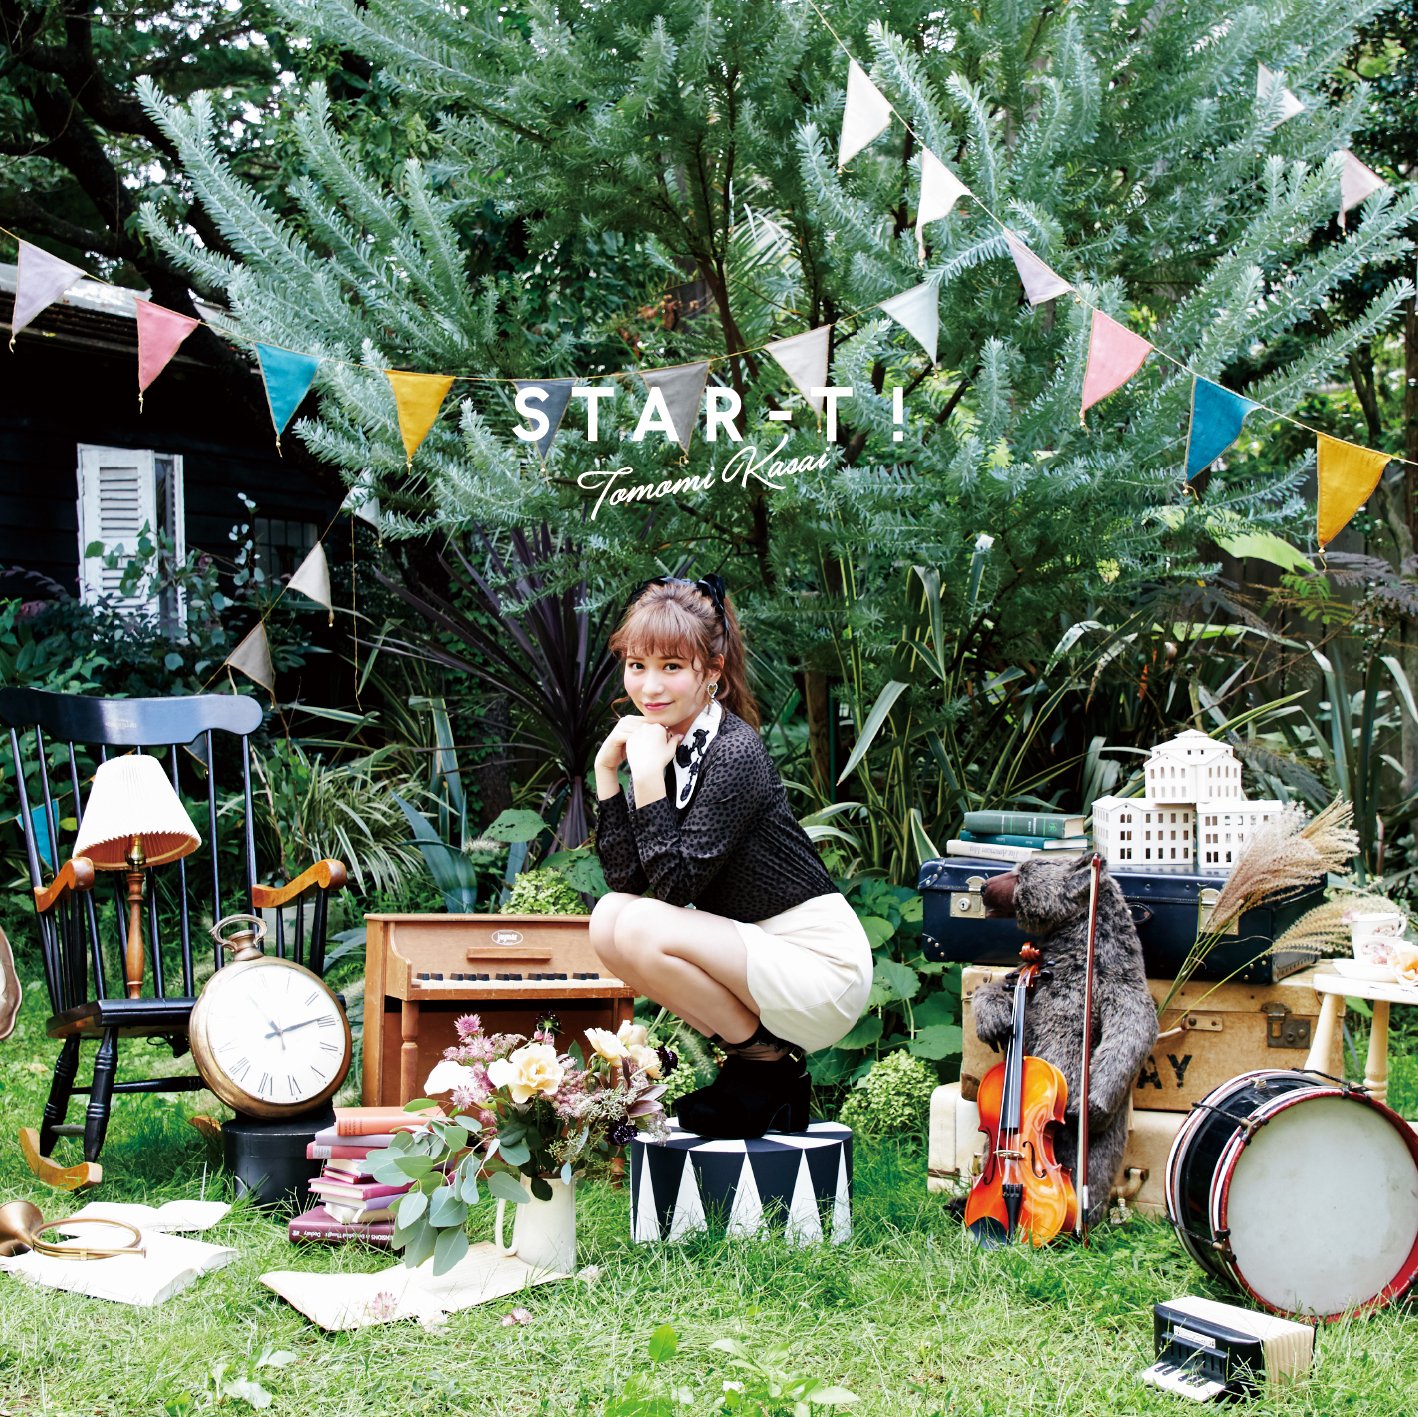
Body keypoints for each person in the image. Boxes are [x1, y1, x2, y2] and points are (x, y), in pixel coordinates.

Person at [590, 574, 872, 1139]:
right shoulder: (662, 743)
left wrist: (646, 777)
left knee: (638, 924)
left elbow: (674, 890)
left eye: (672, 666)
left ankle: (766, 1067)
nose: (650, 686)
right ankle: (756, 1069)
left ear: (712, 671)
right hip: (755, 954)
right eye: (637, 665)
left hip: (820, 965)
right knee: (608, 920)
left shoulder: (733, 751)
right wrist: (607, 773)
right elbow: (627, 881)